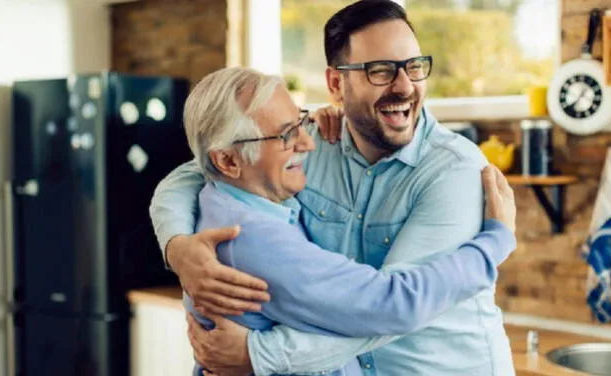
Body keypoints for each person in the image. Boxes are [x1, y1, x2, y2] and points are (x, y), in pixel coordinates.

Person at [150, 1, 517, 375]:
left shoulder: (454, 170)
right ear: (336, 84)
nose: (405, 86)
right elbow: (197, 170)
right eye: (380, 71)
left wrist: (260, 354)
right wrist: (177, 246)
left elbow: (394, 309)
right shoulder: (305, 144)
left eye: (414, 66)